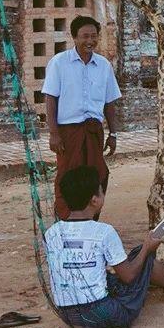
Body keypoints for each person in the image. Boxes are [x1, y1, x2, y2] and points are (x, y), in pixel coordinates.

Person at [45, 165, 164, 328]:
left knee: (117, 270)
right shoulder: (104, 232)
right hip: (104, 314)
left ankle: (163, 282)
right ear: (94, 200)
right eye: (101, 191)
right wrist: (147, 247)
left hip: (68, 316)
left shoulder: (52, 232)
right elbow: (129, 276)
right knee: (141, 255)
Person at [42, 15, 121, 220]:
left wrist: (113, 133)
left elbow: (109, 103)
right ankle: (65, 219)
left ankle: (90, 219)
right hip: (68, 133)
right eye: (85, 36)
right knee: (68, 176)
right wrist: (54, 134)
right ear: (74, 37)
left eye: (94, 36)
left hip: (94, 131)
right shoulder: (59, 63)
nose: (90, 41)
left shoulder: (103, 65)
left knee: (98, 175)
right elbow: (50, 99)